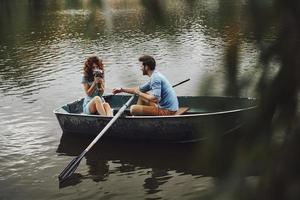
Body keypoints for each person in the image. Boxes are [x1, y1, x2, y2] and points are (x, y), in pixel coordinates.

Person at [112, 55, 178, 116]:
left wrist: (139, 93)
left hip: (167, 111)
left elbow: (155, 99)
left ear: (146, 67)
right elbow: (138, 89)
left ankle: (136, 117)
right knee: (142, 95)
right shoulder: (155, 75)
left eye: (141, 66)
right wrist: (121, 89)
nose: (140, 68)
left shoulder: (155, 78)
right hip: (165, 107)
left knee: (133, 109)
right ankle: (137, 117)